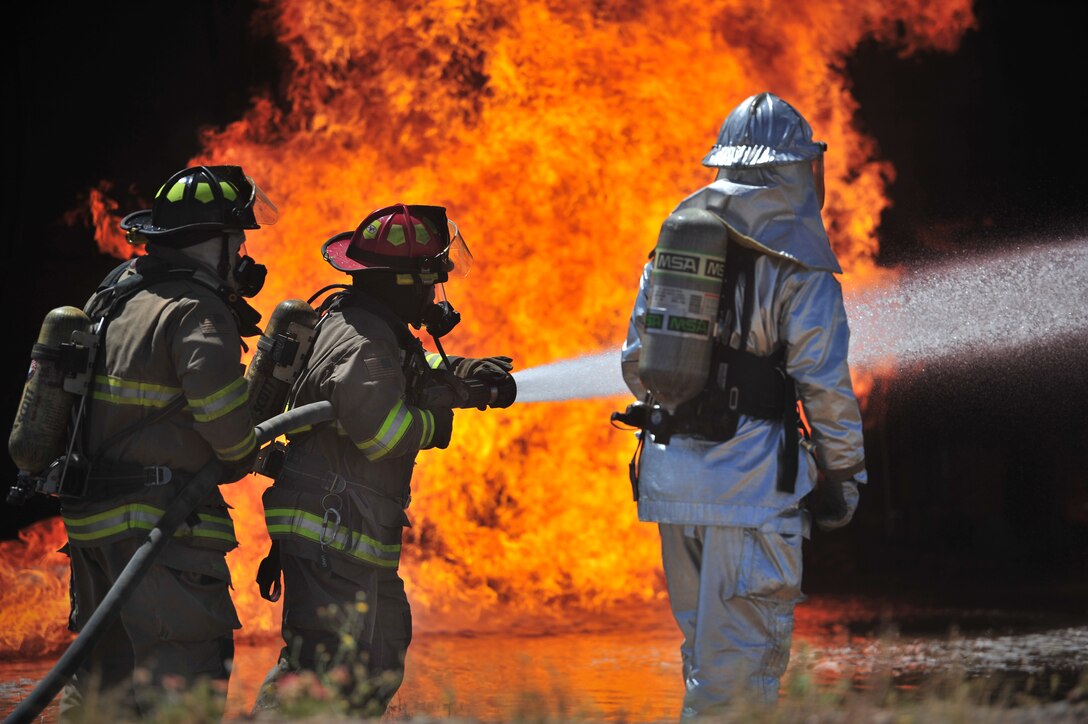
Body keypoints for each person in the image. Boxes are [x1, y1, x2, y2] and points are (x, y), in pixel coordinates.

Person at [619, 93, 867, 716]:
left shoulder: (675, 249)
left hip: (673, 487)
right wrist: (843, 475)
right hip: (750, 494)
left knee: (708, 669)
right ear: (796, 171)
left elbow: (635, 364)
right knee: (742, 680)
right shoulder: (802, 269)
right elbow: (824, 387)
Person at [254, 204, 515, 716]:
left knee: (379, 655)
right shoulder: (366, 341)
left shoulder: (366, 325)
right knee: (320, 670)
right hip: (332, 530)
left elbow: (407, 369)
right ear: (403, 284)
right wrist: (439, 422)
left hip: (352, 530)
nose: (435, 295)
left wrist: (463, 373)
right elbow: (382, 434)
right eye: (430, 283)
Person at [57, 165, 276, 718]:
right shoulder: (196, 309)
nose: (243, 255)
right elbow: (229, 440)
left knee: (102, 688)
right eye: (238, 242)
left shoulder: (117, 295)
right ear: (212, 243)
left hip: (93, 528)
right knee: (185, 682)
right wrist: (253, 444)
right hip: (159, 533)